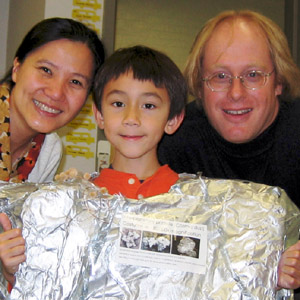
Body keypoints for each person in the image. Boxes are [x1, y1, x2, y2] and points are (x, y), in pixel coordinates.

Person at [158, 10, 300, 293]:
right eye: (220, 76)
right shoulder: (172, 143)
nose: (236, 92)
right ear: (199, 85)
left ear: (278, 82)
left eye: (253, 75)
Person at [0, 17, 105, 290]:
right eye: (46, 70)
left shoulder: (48, 149)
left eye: (76, 82)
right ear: (17, 67)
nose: (56, 92)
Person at [91, 45, 186, 198]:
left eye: (148, 106)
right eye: (118, 104)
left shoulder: (188, 198)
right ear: (100, 115)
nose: (131, 119)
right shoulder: (84, 196)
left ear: (172, 120)